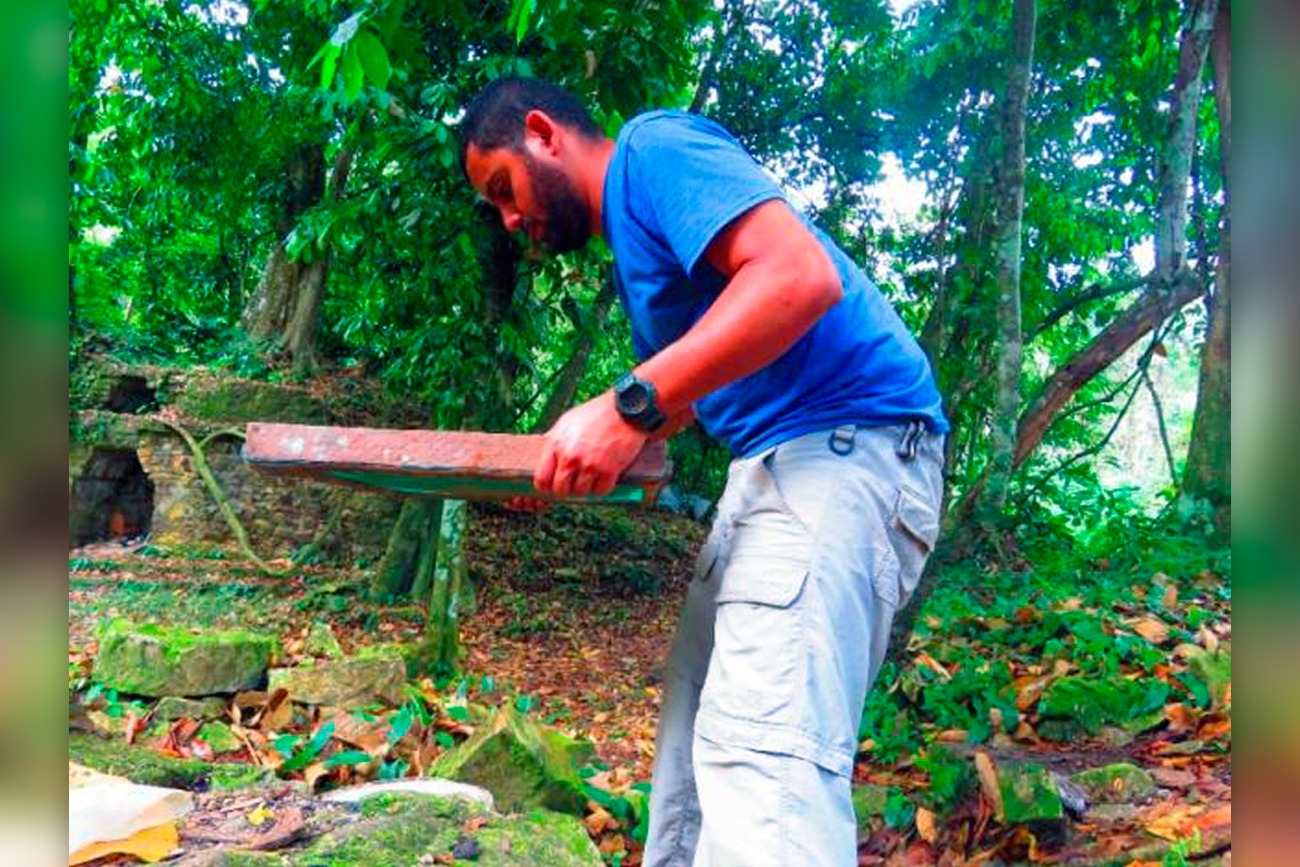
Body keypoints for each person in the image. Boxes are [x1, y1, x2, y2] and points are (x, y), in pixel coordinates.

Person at [459, 76, 947, 867]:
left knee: (766, 777)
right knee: (692, 765)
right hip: (772, 470)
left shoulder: (653, 151)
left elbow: (798, 276)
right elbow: (697, 384)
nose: (512, 220)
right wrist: (603, 447)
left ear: (543, 133)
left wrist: (623, 409)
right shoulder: (638, 248)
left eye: (504, 189)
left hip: (838, 454)